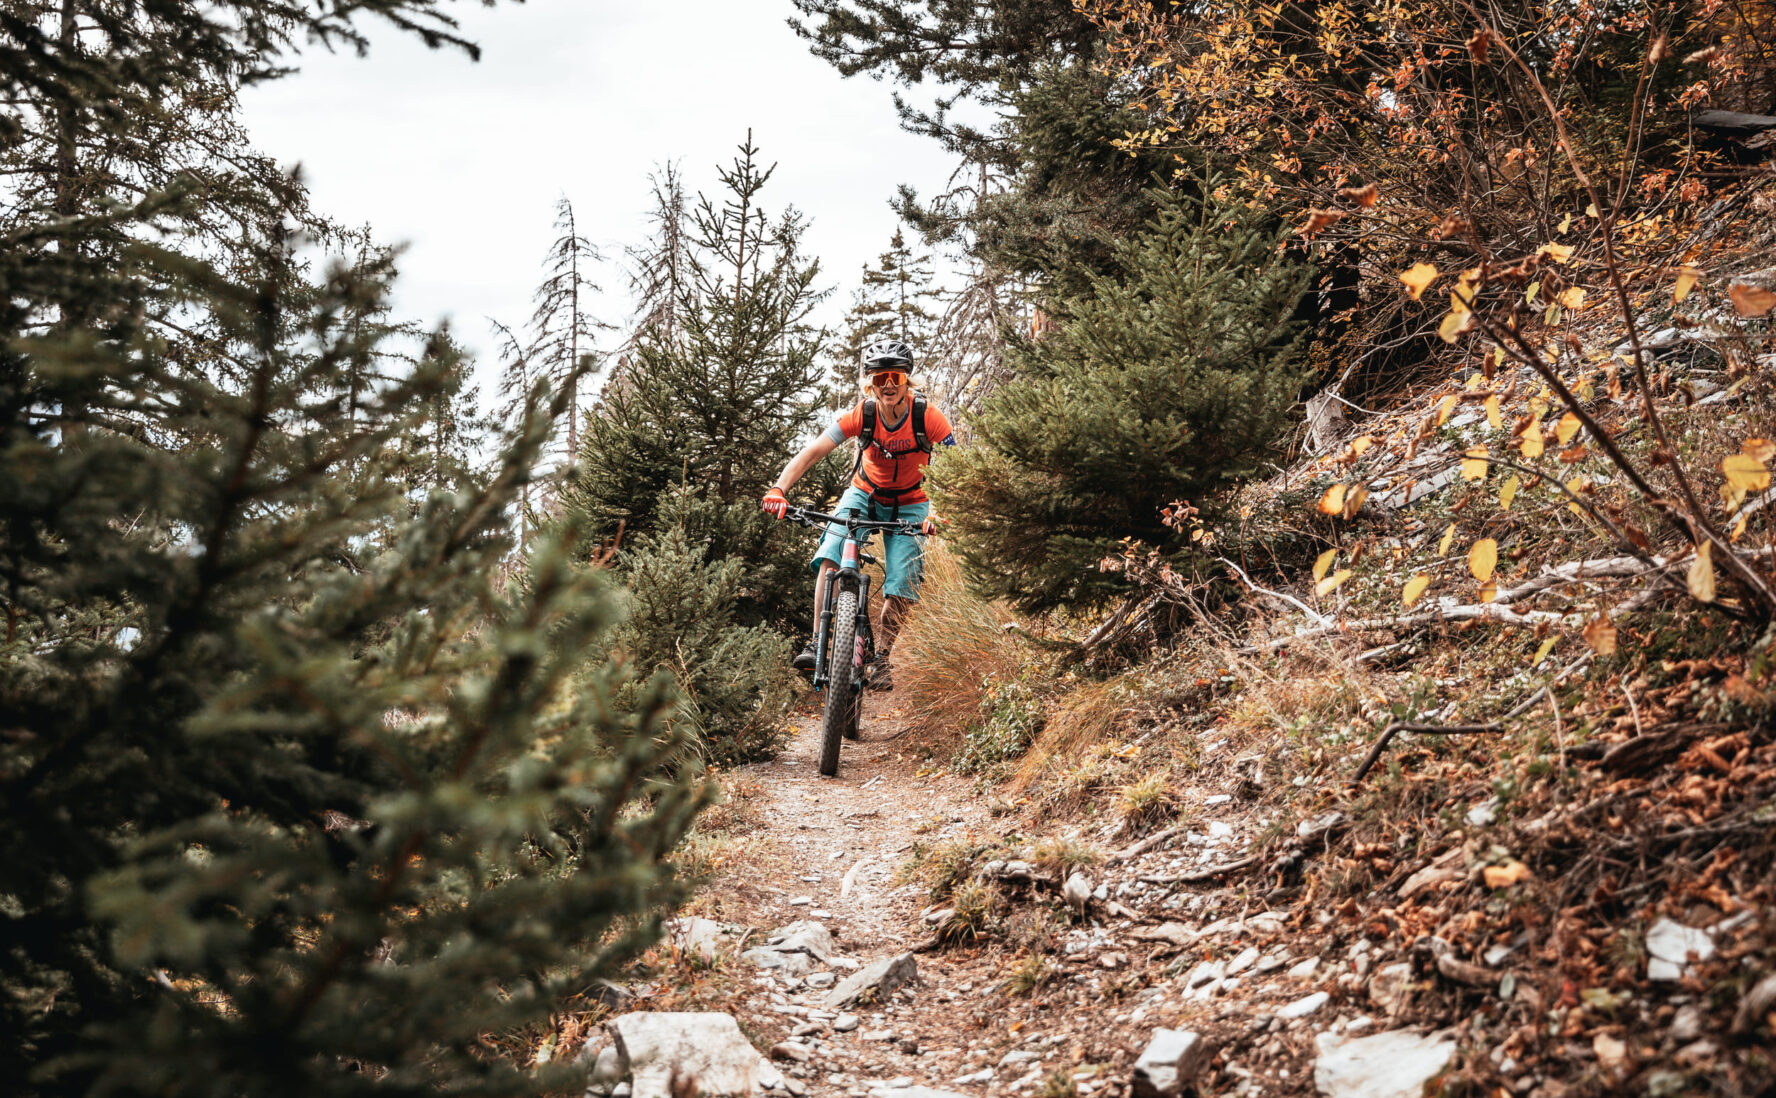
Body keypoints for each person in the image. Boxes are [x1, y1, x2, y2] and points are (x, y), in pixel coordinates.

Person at [761, 339, 955, 690]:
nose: (889, 386)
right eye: (881, 379)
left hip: (912, 503)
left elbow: (959, 466)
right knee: (830, 554)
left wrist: (939, 514)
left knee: (902, 583)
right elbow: (813, 451)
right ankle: (817, 642)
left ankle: (881, 658)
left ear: (906, 380)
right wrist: (779, 489)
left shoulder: (927, 416)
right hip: (863, 493)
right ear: (871, 383)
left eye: (895, 377)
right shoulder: (862, 415)